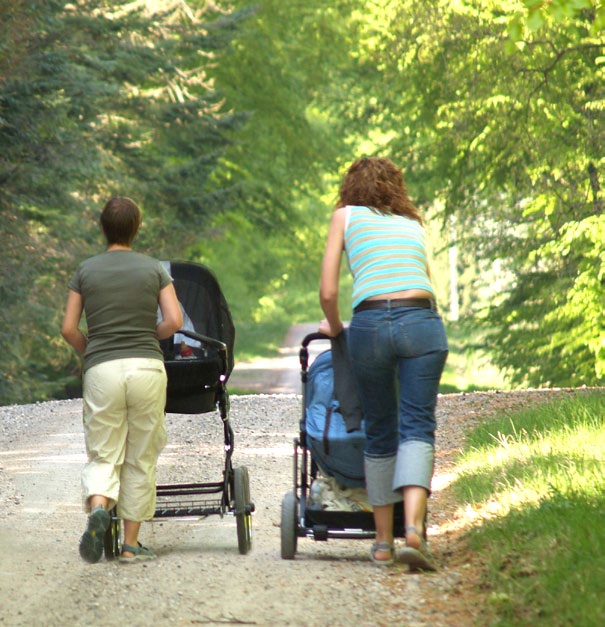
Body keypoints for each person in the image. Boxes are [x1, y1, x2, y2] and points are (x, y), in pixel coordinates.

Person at [319, 157, 448, 570]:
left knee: (379, 430)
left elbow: (327, 291)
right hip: (422, 321)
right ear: (397, 187)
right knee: (417, 426)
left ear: (350, 187)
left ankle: (380, 544)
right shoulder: (414, 223)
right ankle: (413, 531)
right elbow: (426, 280)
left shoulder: (345, 216)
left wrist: (337, 328)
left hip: (371, 324)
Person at [61, 197, 183, 564]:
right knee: (140, 454)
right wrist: (151, 334)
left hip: (102, 369)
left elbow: (68, 328)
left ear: (103, 227)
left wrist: (92, 351)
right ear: (136, 228)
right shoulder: (153, 269)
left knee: (104, 451)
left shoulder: (85, 270)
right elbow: (174, 321)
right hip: (146, 365)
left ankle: (99, 507)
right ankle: (130, 546)